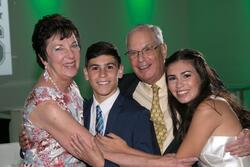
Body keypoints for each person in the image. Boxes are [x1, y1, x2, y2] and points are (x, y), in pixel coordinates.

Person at [71, 48, 250, 166]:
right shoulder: (199, 107)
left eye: (186, 76)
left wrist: (119, 152)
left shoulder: (208, 108)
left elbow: (178, 164)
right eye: (172, 78)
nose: (179, 85)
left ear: (201, 76)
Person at [118, 24, 250, 155]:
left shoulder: (192, 82)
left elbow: (233, 114)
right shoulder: (121, 87)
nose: (141, 59)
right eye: (133, 53)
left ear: (163, 50)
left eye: (147, 49)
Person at [21, 14, 94, 166]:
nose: (70, 55)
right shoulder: (46, 104)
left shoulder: (70, 85)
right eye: (59, 48)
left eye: (74, 45)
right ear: (43, 58)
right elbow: (92, 149)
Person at [82, 41, 160, 166]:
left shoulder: (138, 116)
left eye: (109, 67)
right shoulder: (79, 112)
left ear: (120, 71)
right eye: (95, 68)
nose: (103, 74)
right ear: (86, 73)